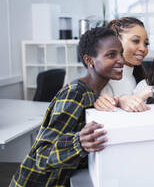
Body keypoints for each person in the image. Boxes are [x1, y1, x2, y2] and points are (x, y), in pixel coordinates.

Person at [10, 27, 124, 186]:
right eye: (111, 55)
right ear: (89, 60)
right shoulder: (75, 94)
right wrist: (78, 143)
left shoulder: (96, 92)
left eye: (121, 53)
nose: (121, 60)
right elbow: (41, 156)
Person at [95, 17, 150, 112]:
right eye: (136, 41)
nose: (143, 48)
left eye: (146, 43)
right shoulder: (106, 80)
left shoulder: (136, 77)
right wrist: (120, 101)